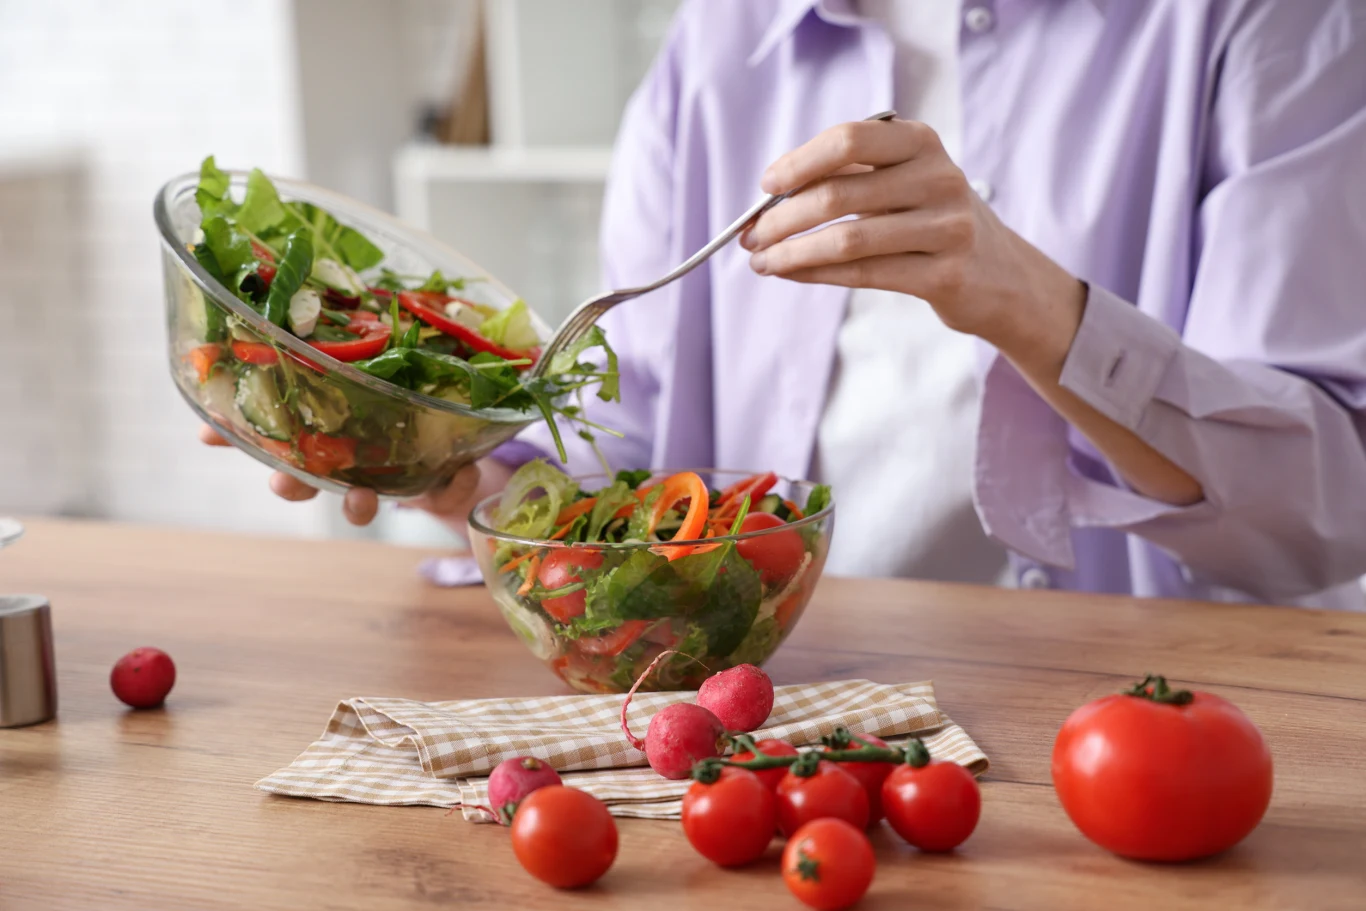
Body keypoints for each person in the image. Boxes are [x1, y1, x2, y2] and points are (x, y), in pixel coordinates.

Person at [206, 0, 1366, 610]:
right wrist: (459, 465)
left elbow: (1324, 507)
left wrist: (1031, 306)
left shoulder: (1269, 20)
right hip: (776, 726)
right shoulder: (720, 36)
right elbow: (643, 438)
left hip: (1139, 726)